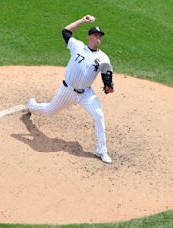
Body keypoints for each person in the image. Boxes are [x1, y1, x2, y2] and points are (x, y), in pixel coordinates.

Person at [28, 15, 114, 163]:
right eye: (95, 35)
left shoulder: (104, 57)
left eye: (100, 35)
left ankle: (102, 150)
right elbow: (66, 31)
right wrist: (82, 20)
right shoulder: (77, 46)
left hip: (86, 94)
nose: (98, 37)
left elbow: (107, 74)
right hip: (67, 91)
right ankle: (32, 105)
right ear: (89, 37)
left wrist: (108, 85)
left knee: (99, 115)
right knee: (49, 111)